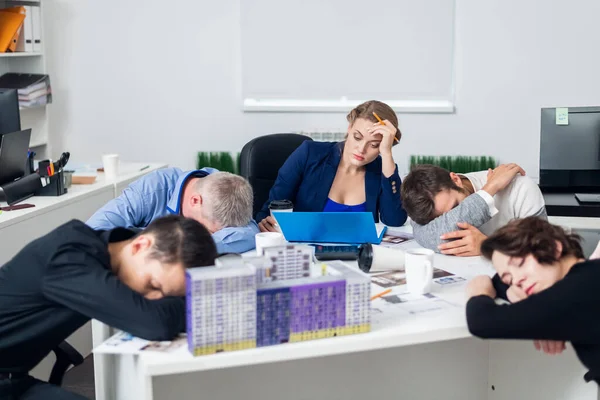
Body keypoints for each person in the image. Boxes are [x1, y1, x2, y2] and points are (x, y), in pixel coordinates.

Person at [0, 215, 217, 399]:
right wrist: (195, 302)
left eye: (166, 295)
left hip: (14, 380)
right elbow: (155, 322)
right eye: (154, 285)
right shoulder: (69, 259)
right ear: (140, 245)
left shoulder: (111, 250)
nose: (155, 298)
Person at [466, 217, 600, 385]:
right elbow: (499, 283)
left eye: (520, 263)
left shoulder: (580, 290)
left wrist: (479, 292)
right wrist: (542, 317)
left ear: (553, 248)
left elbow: (482, 321)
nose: (517, 281)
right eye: (510, 279)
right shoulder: (586, 277)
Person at [256, 100, 407, 232]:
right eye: (357, 137)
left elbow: (395, 220)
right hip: (307, 249)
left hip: (358, 256)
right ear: (349, 128)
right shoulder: (309, 154)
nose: (361, 149)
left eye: (374, 145)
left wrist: (387, 154)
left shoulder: (381, 170)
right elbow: (270, 211)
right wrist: (267, 224)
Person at [86, 168, 259, 253]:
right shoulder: (150, 191)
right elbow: (90, 232)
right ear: (195, 201)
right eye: (206, 231)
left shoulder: (227, 189)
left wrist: (186, 246)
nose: (205, 235)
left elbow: (251, 233)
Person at [401, 163, 546, 256]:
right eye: (441, 220)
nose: (455, 220)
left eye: (456, 207)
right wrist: (490, 189)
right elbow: (423, 234)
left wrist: (489, 246)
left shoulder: (521, 187)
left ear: (456, 179)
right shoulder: (423, 205)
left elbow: (543, 249)